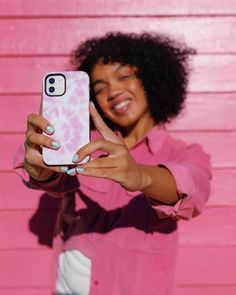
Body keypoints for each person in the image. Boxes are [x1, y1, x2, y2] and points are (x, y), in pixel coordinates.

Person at [14, 32, 211, 295]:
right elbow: (49, 177)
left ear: (151, 77)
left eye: (124, 76)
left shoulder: (183, 152)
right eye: (99, 88)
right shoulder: (85, 142)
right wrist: (40, 168)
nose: (113, 92)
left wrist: (140, 175)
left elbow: (192, 188)